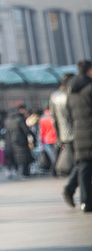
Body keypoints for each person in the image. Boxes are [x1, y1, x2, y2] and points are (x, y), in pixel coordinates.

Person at [66, 60, 92, 212]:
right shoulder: (90, 89)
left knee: (84, 167)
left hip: (79, 133)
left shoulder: (71, 93)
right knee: (85, 167)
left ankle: (85, 201)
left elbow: (70, 115)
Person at [51, 72, 79, 207]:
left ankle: (71, 188)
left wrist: (59, 137)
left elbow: (54, 119)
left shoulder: (54, 96)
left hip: (64, 135)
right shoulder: (71, 95)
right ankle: (70, 188)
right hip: (77, 133)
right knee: (83, 164)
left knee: (81, 164)